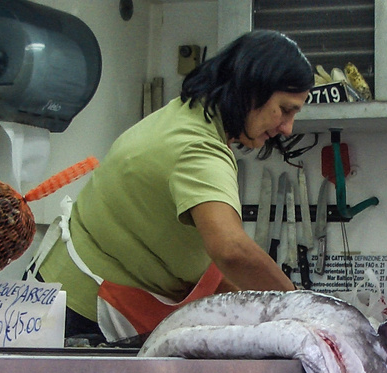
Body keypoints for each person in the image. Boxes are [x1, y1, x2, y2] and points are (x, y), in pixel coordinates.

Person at [36, 30, 313, 340]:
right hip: (79, 314)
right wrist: (301, 307)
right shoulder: (199, 148)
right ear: (251, 89)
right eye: (285, 110)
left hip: (57, 295)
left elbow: (199, 257)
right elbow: (231, 250)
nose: (287, 128)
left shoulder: (185, 115)